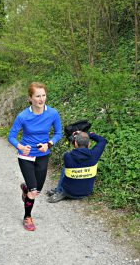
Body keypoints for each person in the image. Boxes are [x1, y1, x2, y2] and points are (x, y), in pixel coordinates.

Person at [8, 82, 62, 231]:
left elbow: (58, 133)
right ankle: (27, 217)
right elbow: (11, 136)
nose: (41, 99)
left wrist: (49, 144)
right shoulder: (23, 116)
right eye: (37, 96)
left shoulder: (52, 113)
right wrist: (20, 146)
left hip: (43, 154)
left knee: (36, 191)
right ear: (30, 98)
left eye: (43, 95)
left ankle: (26, 189)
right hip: (26, 156)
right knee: (33, 192)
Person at [47, 131, 107, 203]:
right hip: (86, 192)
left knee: (65, 168)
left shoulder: (67, 156)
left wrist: (78, 136)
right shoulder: (94, 155)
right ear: (89, 144)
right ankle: (60, 191)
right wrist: (88, 134)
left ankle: (59, 191)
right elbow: (103, 140)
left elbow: (75, 152)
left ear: (75, 143)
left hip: (69, 192)